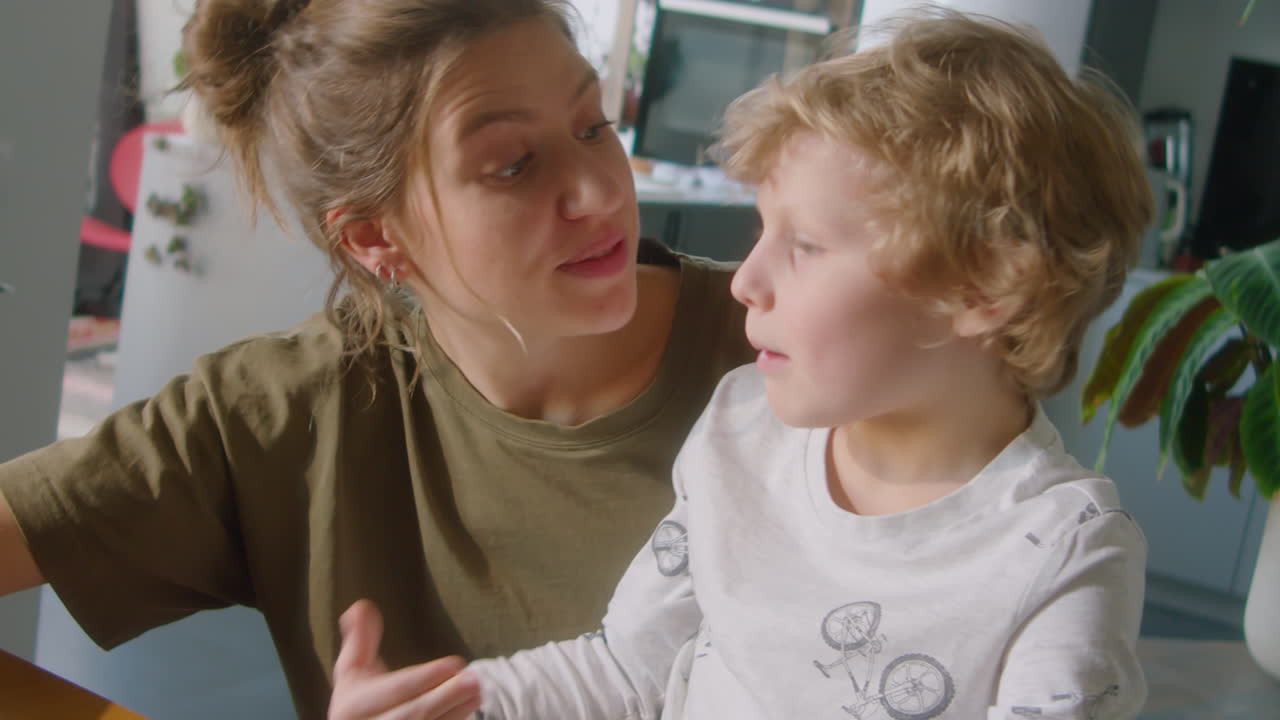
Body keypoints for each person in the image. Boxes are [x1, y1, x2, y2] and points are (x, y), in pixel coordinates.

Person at [332, 10, 1156, 719]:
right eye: (762, 231)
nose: (748, 280)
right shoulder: (742, 429)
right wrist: (448, 704)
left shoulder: (1062, 556)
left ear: (981, 288)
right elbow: (625, 668)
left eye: (803, 245)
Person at [0, 1, 753, 718]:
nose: (598, 190)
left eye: (594, 126)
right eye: (515, 164)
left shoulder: (789, 350)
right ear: (372, 239)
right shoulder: (283, 411)